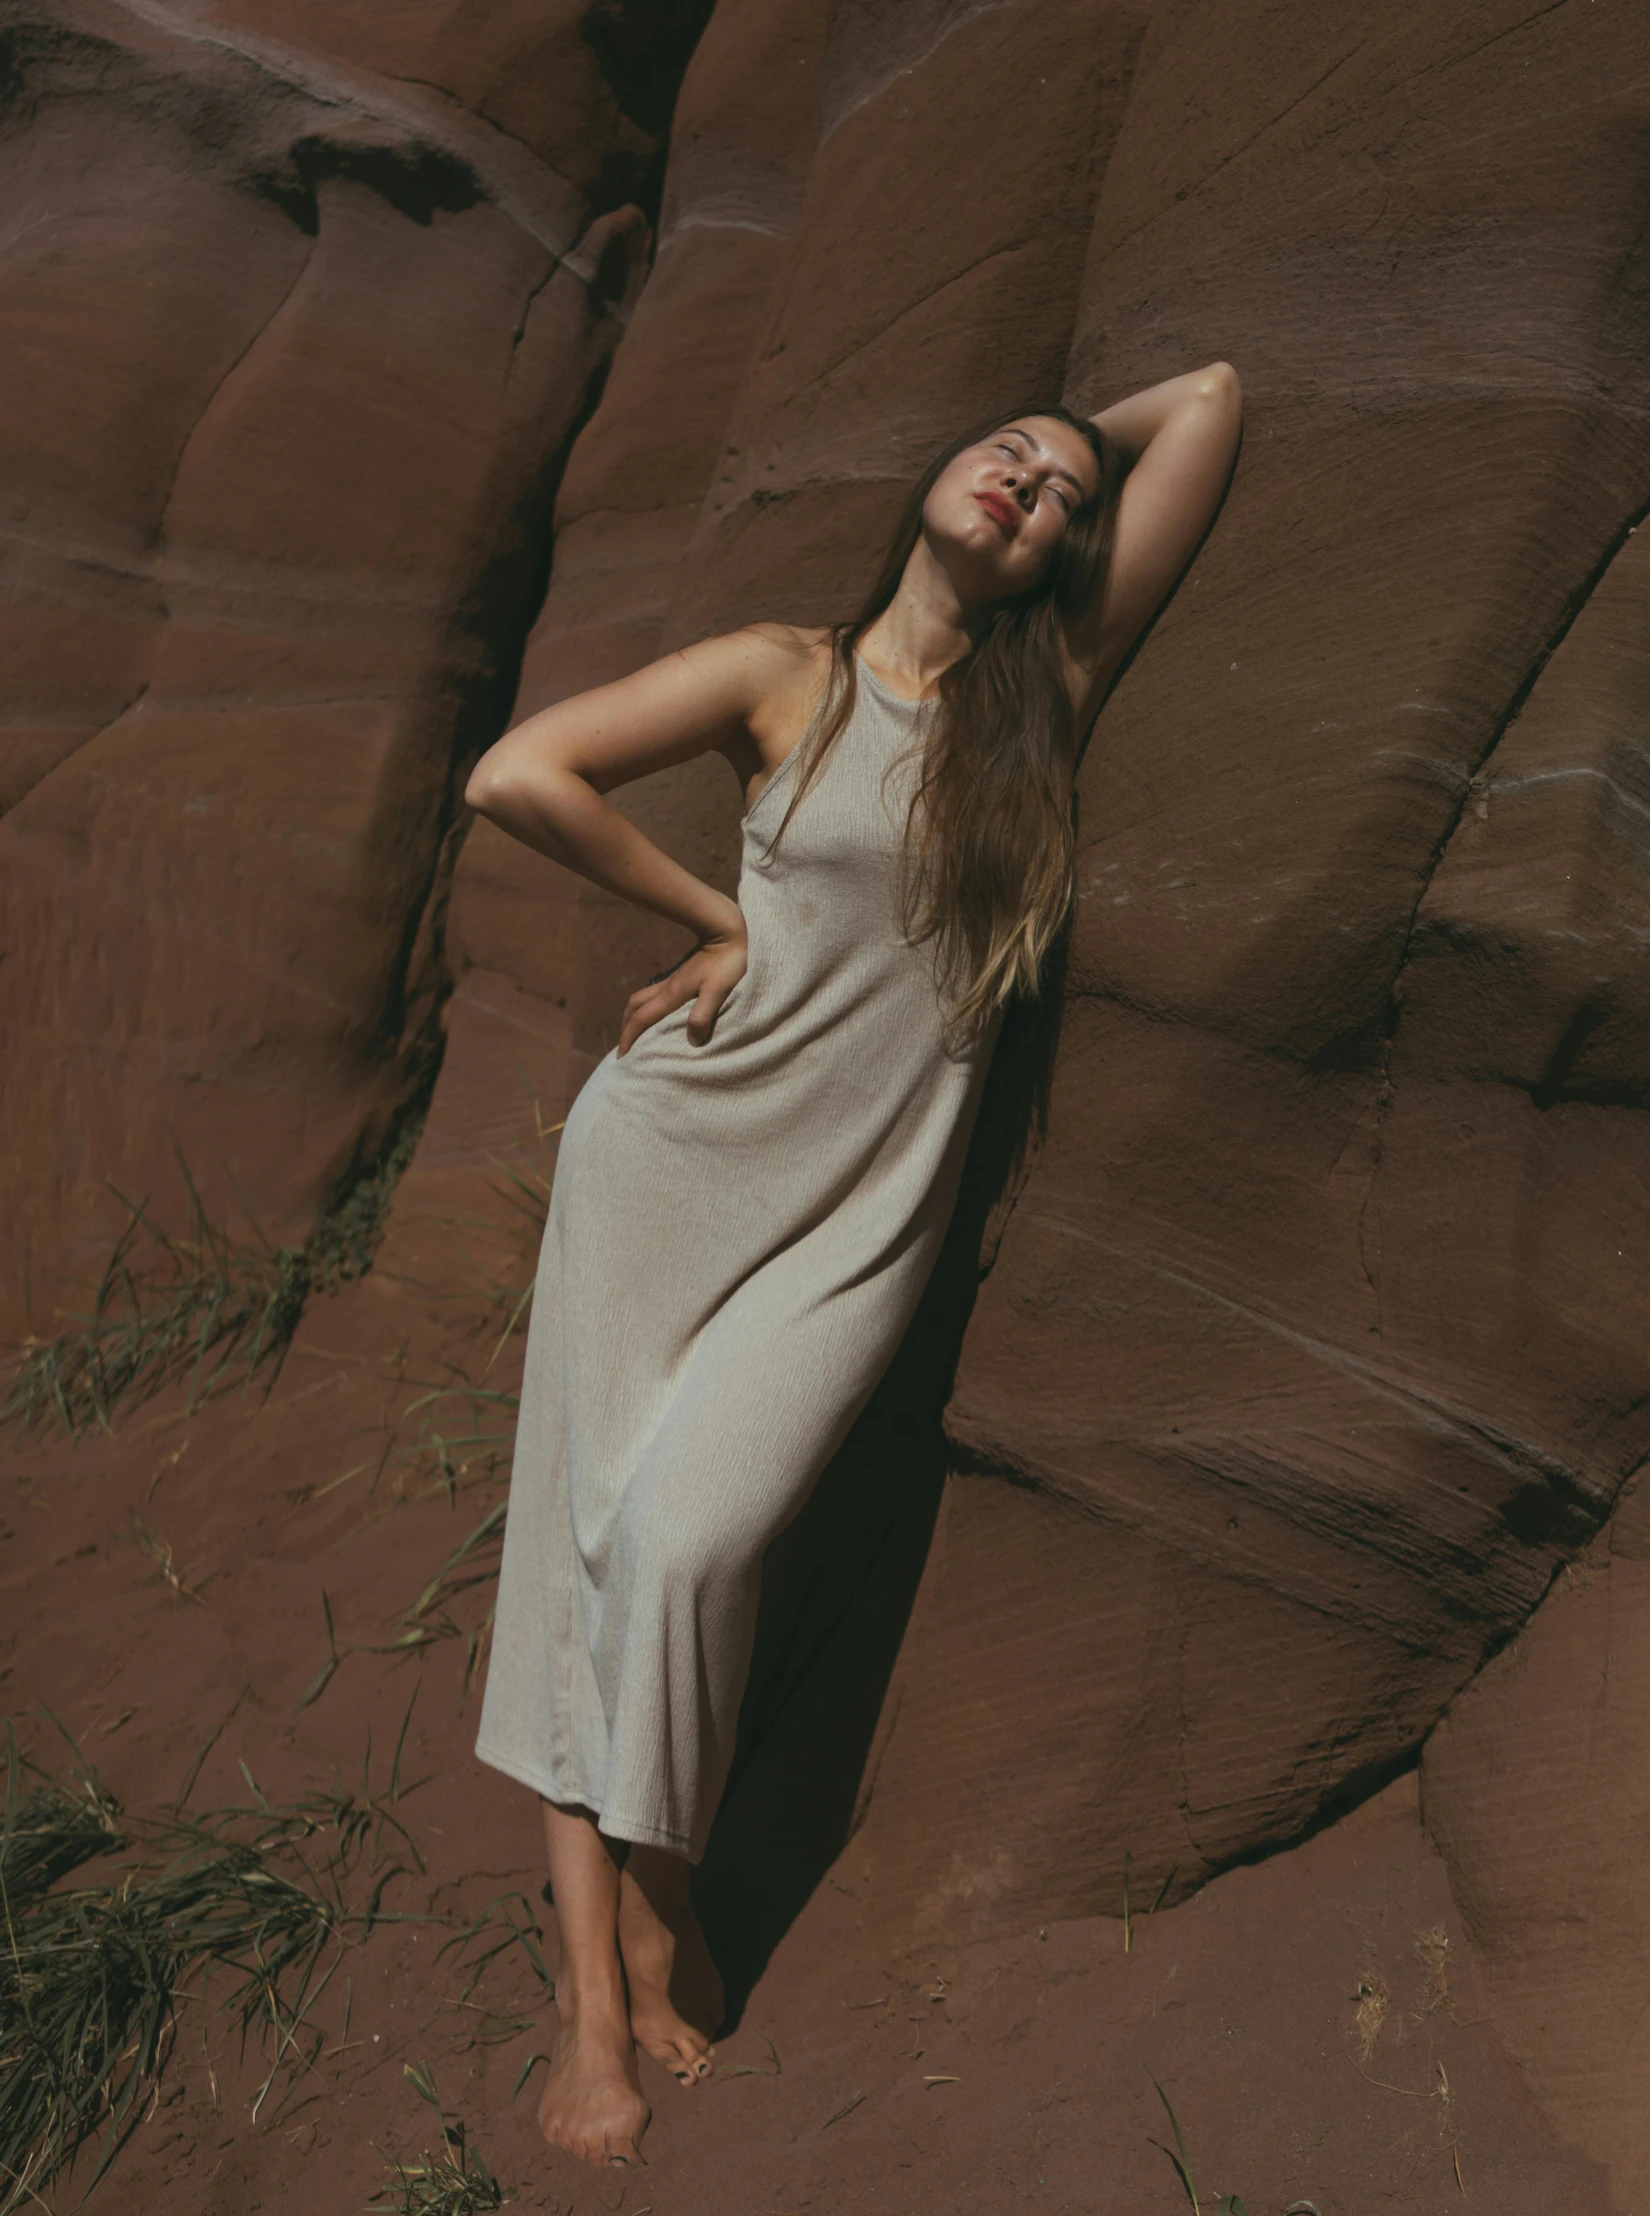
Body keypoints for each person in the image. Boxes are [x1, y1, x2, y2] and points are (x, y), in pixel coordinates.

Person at [465, 364, 1243, 2167]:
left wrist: (1073, 458)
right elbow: (520, 772)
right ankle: (601, 1988)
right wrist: (714, 913)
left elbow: (1206, 400)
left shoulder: (1044, 693)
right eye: (1003, 453)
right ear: (929, 469)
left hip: (854, 1222)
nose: (1030, 489)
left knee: (687, 1537)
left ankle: (662, 1886)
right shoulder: (781, 674)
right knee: (583, 1548)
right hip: (663, 1160)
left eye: (1058, 496)